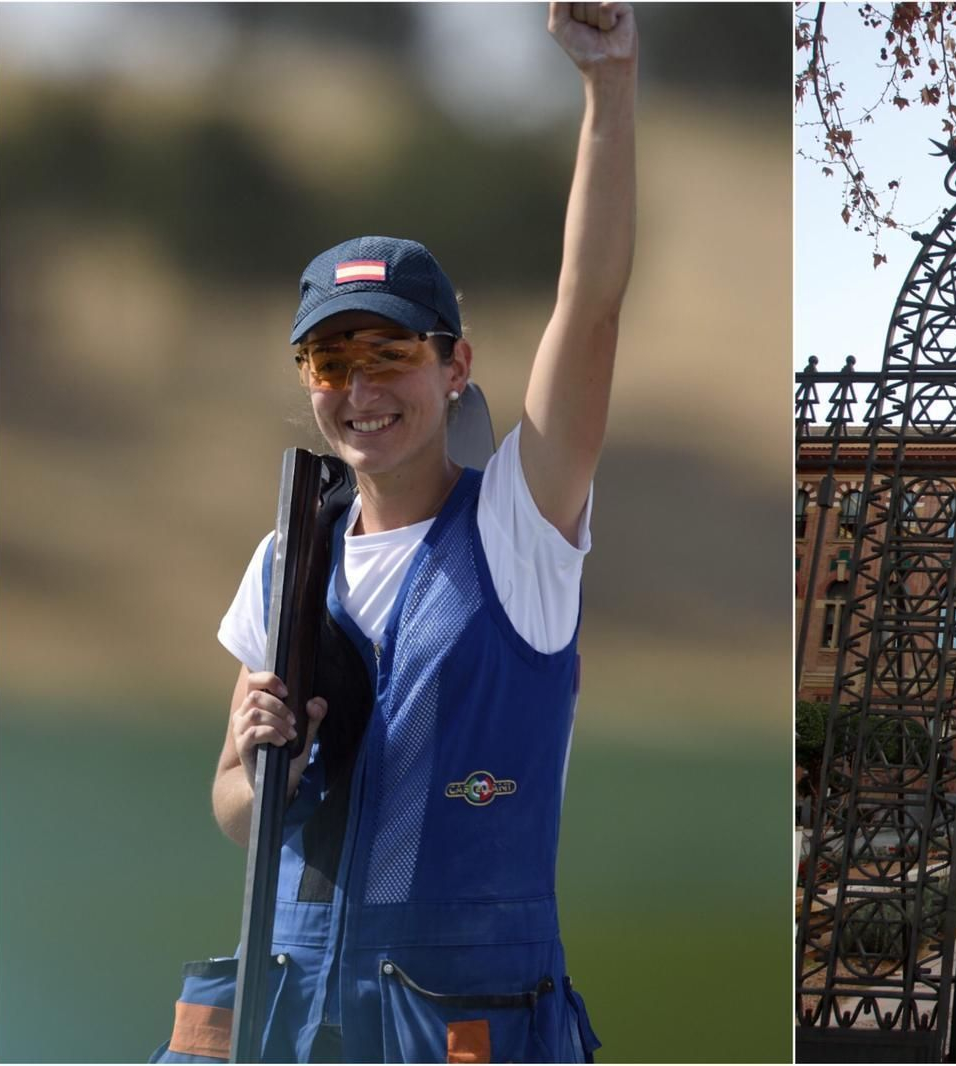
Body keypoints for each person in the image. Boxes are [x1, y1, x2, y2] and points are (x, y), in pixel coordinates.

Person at [152, 5, 635, 1062]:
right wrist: (253, 759)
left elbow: (589, 309)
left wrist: (607, 88)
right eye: (331, 362)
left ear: (453, 365)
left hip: (453, 1032)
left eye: (388, 352)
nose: (361, 389)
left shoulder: (519, 525)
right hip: (287, 1022)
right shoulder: (288, 558)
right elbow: (236, 807)